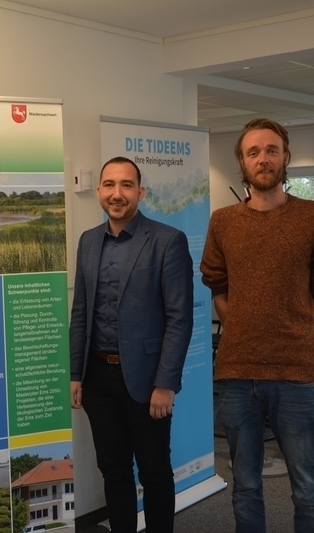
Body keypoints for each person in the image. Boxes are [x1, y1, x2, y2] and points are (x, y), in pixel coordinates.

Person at [200, 118, 314, 533]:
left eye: (270, 150)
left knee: (307, 486)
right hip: (237, 374)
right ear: (242, 163)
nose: (262, 158)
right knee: (245, 484)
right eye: (253, 152)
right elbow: (216, 283)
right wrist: (245, 326)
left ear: (285, 157)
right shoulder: (223, 221)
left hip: (298, 374)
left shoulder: (311, 217)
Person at [70, 156, 194, 533]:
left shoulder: (166, 241)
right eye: (109, 185)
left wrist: (166, 383)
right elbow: (80, 313)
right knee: (113, 469)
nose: (117, 194)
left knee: (155, 471)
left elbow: (179, 318)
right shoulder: (89, 241)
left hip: (147, 382)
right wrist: (76, 374)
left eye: (126, 186)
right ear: (99, 192)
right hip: (98, 379)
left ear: (140, 192)